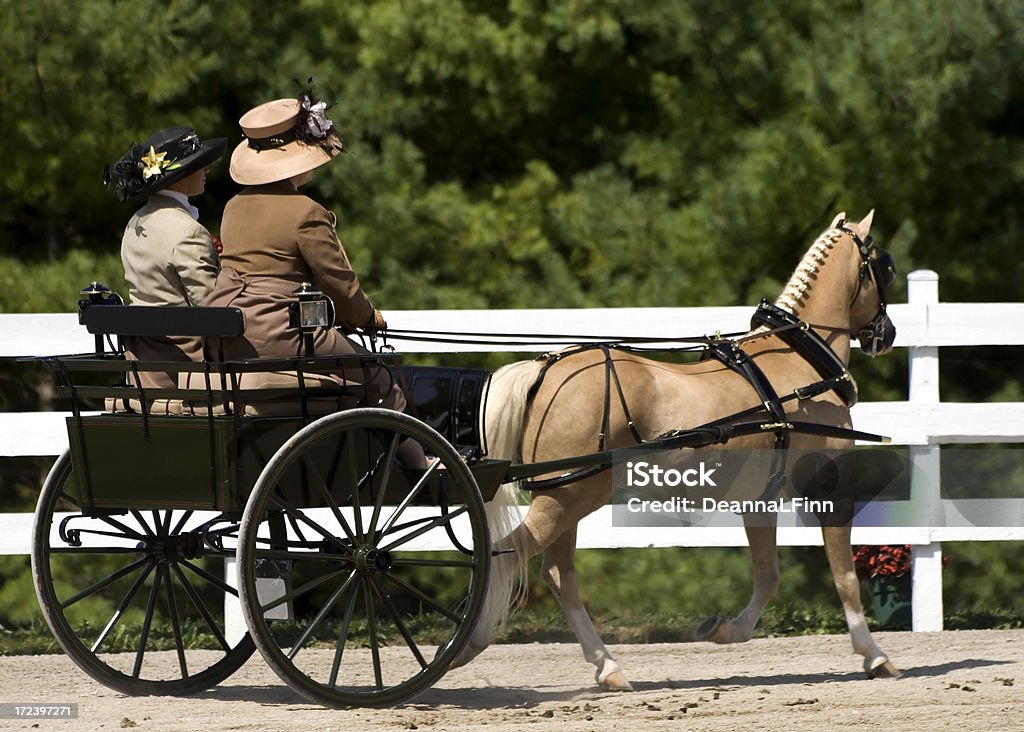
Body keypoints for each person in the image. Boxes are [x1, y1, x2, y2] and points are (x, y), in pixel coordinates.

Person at [207, 87, 421, 461]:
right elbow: (339, 282)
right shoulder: (306, 211)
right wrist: (368, 317)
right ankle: (418, 465)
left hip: (229, 329)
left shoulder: (232, 207)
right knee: (376, 375)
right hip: (281, 333)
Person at [105, 127, 228, 390]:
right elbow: (212, 308)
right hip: (186, 364)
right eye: (198, 164)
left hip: (144, 363)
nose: (206, 169)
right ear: (179, 176)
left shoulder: (134, 222)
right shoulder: (187, 230)